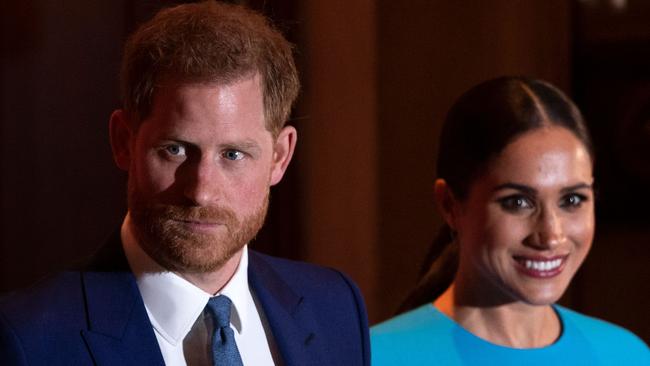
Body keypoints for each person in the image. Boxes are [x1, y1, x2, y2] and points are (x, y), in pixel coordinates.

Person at [0, 2, 369, 365]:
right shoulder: (28, 341)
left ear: (280, 157)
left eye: (233, 155)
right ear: (123, 141)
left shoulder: (336, 308)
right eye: (175, 150)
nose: (201, 191)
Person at [371, 76, 650, 365]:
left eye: (572, 200)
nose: (551, 235)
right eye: (518, 202)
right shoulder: (374, 356)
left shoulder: (625, 355)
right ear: (449, 205)